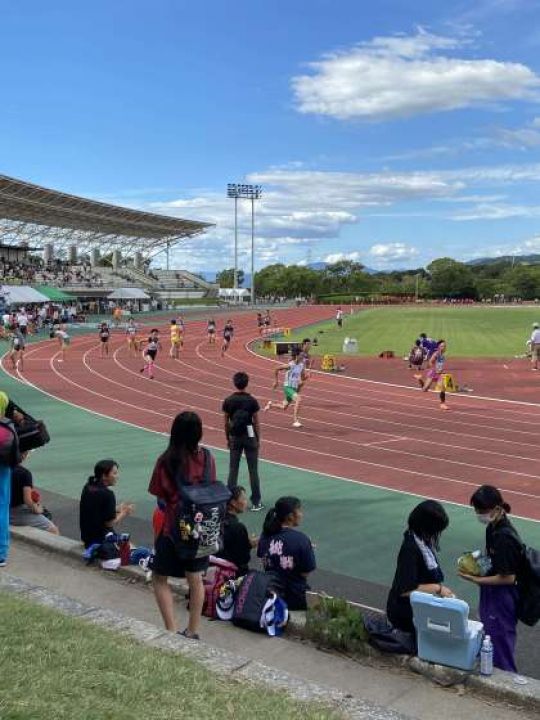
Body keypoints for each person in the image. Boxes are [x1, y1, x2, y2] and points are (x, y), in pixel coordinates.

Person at [148, 411, 217, 638]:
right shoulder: (207, 457)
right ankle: (193, 630)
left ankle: (170, 629)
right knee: (195, 579)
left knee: (159, 577)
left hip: (173, 528)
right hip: (202, 528)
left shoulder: (166, 460)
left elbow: (159, 493)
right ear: (199, 433)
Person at [459, 485, 523, 673]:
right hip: (491, 590)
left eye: (482, 511)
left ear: (496, 509)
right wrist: (475, 561)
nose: (479, 515)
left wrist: (475, 580)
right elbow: (491, 558)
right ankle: (491, 668)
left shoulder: (505, 537)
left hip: (502, 594)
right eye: (477, 511)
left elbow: (508, 577)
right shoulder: (492, 527)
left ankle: (507, 679)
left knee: (500, 640)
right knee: (489, 634)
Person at [386, 500, 454, 634]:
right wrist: (438, 589)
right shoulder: (410, 548)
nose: (437, 534)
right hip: (405, 613)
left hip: (420, 607)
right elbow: (405, 589)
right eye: (435, 530)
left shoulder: (422, 540)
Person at [257, 496, 316, 610]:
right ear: (290, 516)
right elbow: (305, 572)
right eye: (299, 510)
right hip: (295, 598)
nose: (301, 514)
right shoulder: (301, 539)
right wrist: (306, 549)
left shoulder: (265, 536)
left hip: (269, 594)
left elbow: (263, 557)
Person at [223, 371, 263, 511]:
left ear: (235, 383)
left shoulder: (228, 400)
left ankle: (229, 501)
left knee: (233, 470)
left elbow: (226, 422)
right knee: (253, 470)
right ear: (247, 383)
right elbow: (256, 422)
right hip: (250, 436)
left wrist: (228, 438)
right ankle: (256, 502)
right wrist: (258, 439)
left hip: (235, 437)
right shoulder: (252, 400)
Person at [79, 459, 134, 548]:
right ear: (104, 475)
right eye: (114, 473)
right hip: (101, 540)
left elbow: (96, 508)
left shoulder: (88, 486)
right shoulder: (108, 494)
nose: (117, 476)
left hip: (86, 537)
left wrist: (117, 508)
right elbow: (110, 523)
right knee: (132, 549)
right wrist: (124, 512)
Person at [9, 452, 59, 534]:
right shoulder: (25, 473)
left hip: (4, 508)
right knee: (53, 529)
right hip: (17, 512)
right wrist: (37, 510)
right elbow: (27, 500)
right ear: (23, 455)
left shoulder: (4, 468)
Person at [217, 486, 257, 576]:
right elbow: (243, 558)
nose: (246, 502)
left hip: (215, 568)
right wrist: (249, 545)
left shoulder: (216, 520)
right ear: (233, 503)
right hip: (233, 573)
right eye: (243, 499)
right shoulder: (237, 527)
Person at [264, 350, 306, 428]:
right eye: (301, 355)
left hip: (294, 388)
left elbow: (303, 378)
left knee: (284, 407)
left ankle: (270, 405)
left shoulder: (301, 366)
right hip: (287, 387)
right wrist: (276, 381)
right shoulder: (290, 365)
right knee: (299, 399)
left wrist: (307, 377)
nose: (302, 356)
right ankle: (295, 420)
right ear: (297, 356)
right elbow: (276, 368)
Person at [415, 339, 448, 410]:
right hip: (433, 373)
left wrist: (441, 370)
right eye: (442, 346)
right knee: (424, 390)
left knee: (443, 387)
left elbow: (440, 364)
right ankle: (419, 379)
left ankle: (442, 404)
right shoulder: (436, 354)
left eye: (444, 346)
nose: (444, 347)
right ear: (439, 347)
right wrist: (435, 369)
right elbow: (430, 362)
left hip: (440, 374)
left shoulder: (443, 354)